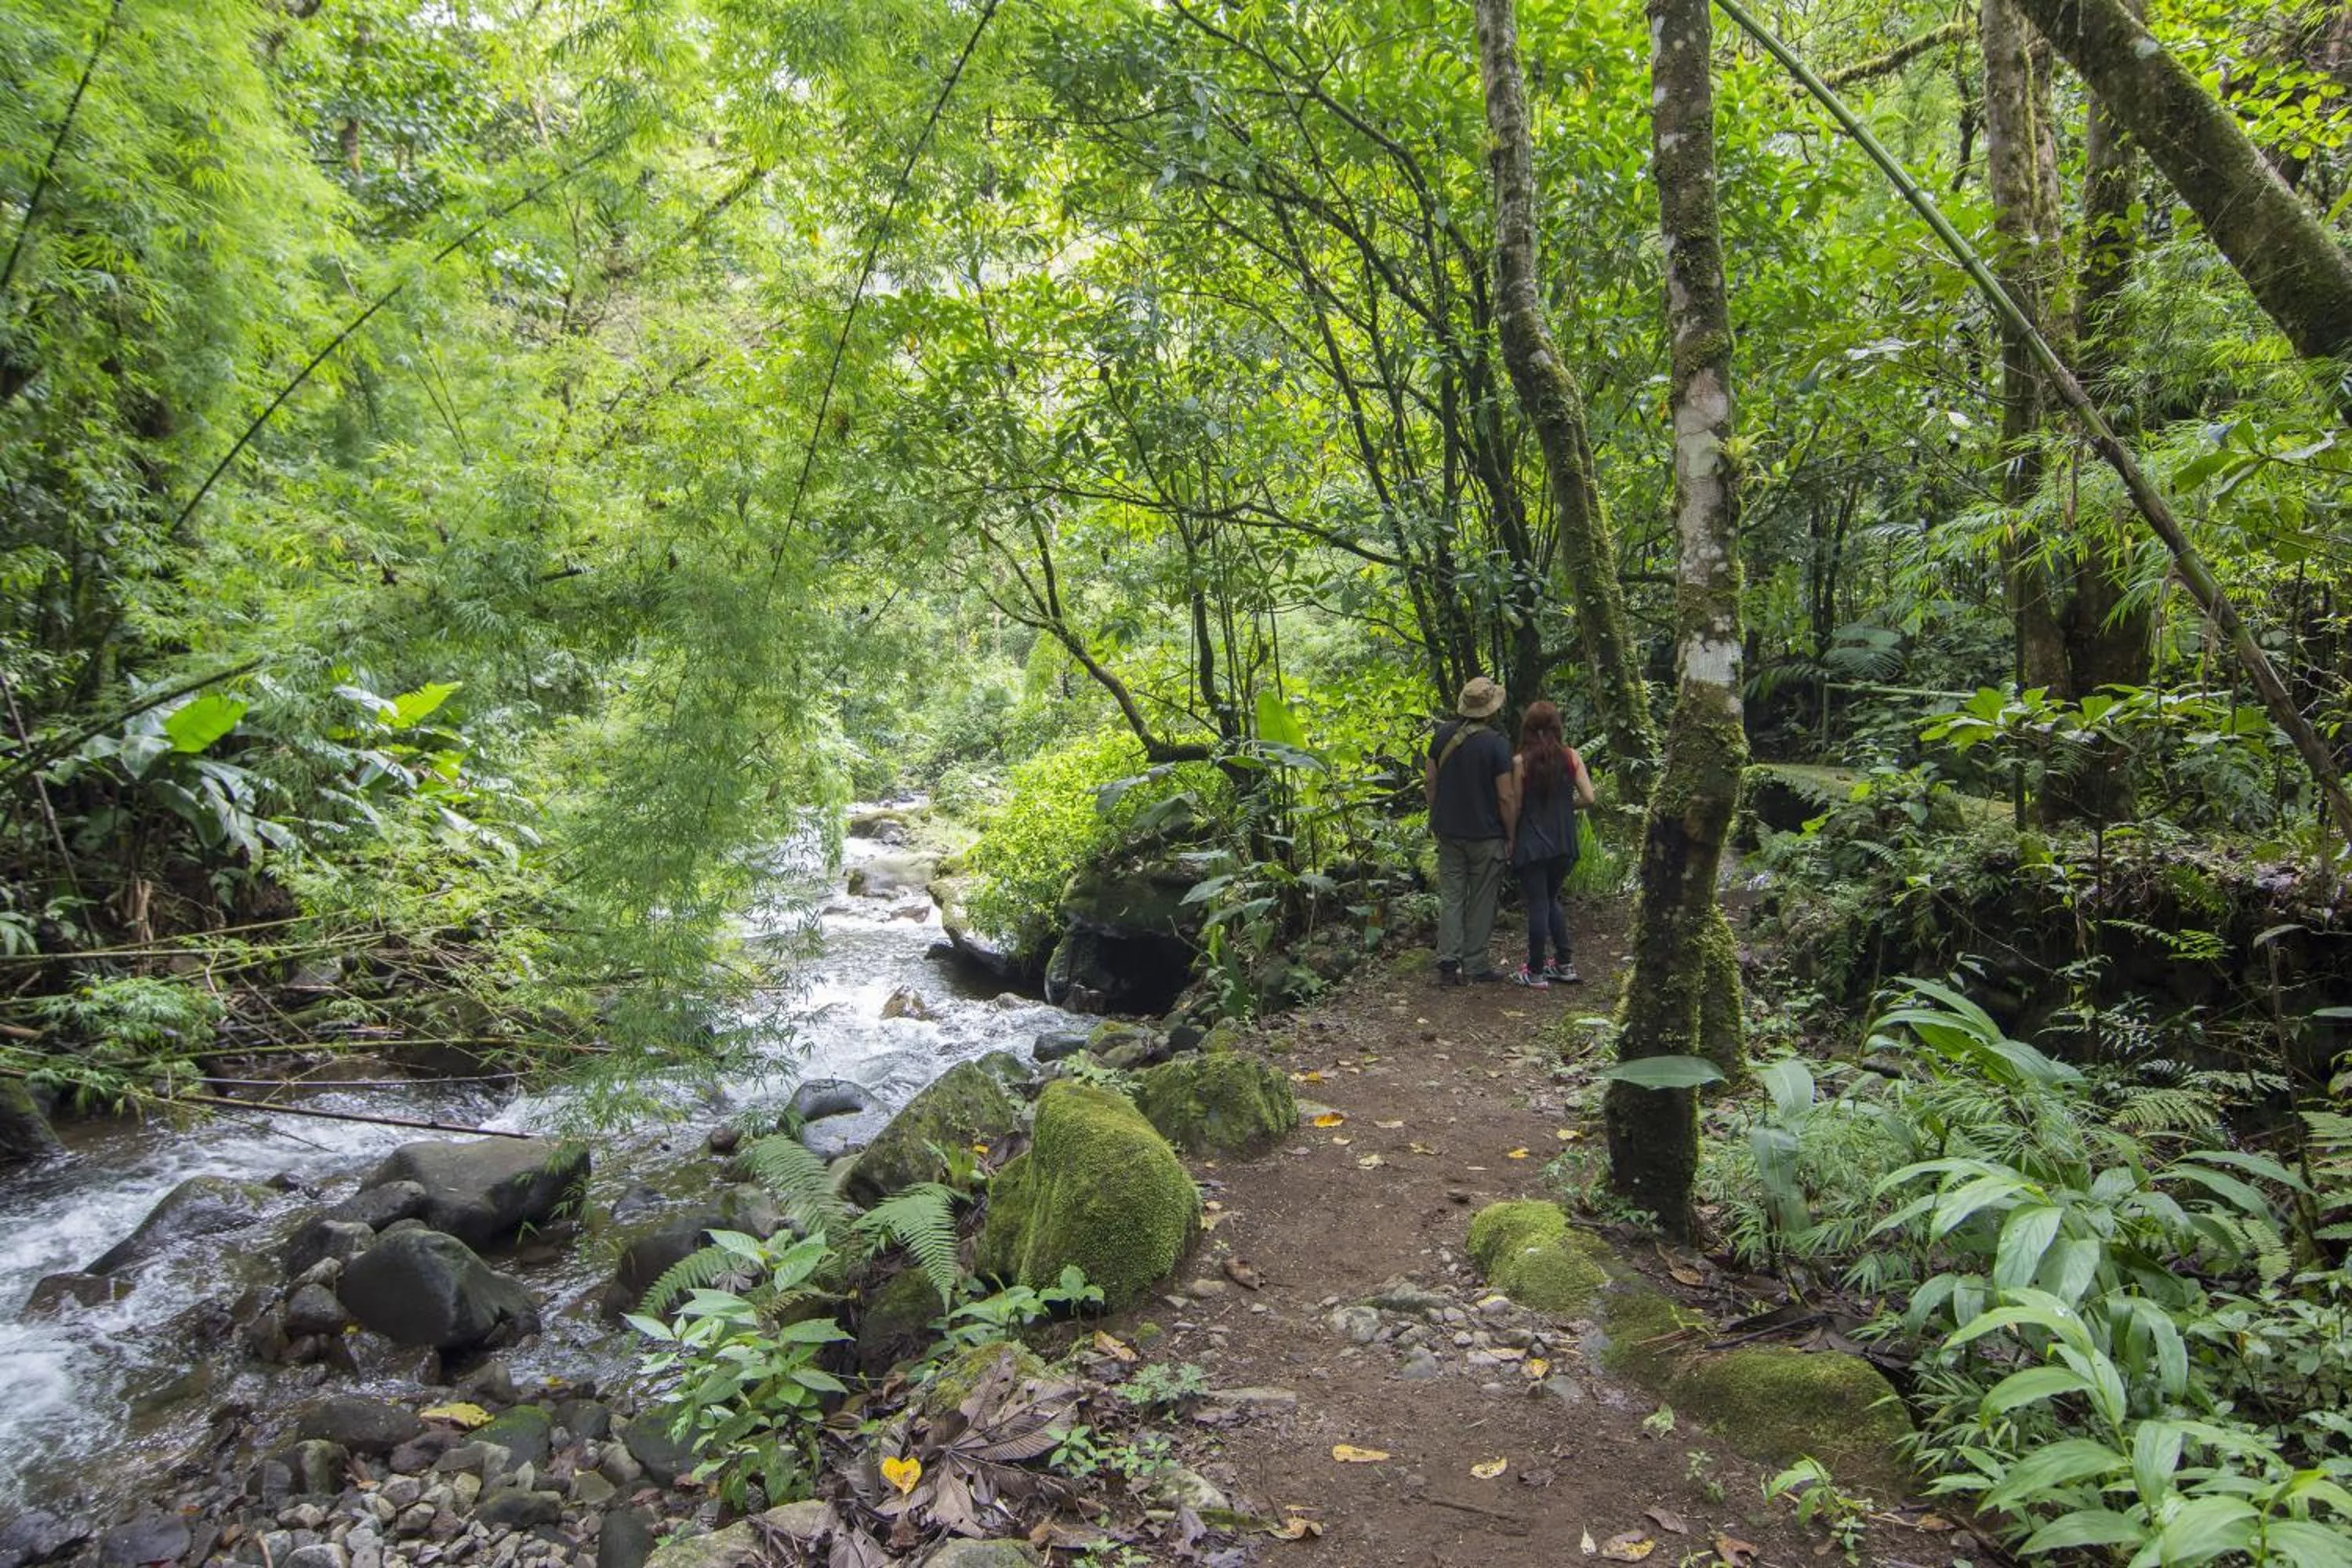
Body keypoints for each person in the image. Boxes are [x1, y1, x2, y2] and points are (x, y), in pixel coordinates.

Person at [1425, 676, 1518, 986]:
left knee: (1451, 897)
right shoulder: (1497, 744)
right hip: (1487, 835)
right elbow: (1505, 796)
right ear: (1491, 710)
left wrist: (1435, 815)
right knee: (1482, 899)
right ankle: (1475, 964)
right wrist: (1511, 835)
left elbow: (1430, 782)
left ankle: (1448, 965)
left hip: (1449, 831)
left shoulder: (1442, 736)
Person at [1503, 699, 1597, 989]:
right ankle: (1564, 964)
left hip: (1533, 843)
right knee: (1551, 898)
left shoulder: (1521, 762)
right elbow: (1590, 798)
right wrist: (1566, 807)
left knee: (1539, 904)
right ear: (1557, 726)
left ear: (1527, 729)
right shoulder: (1571, 757)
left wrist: (1510, 839)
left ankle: (1535, 971)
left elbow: (1516, 806)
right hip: (1563, 842)